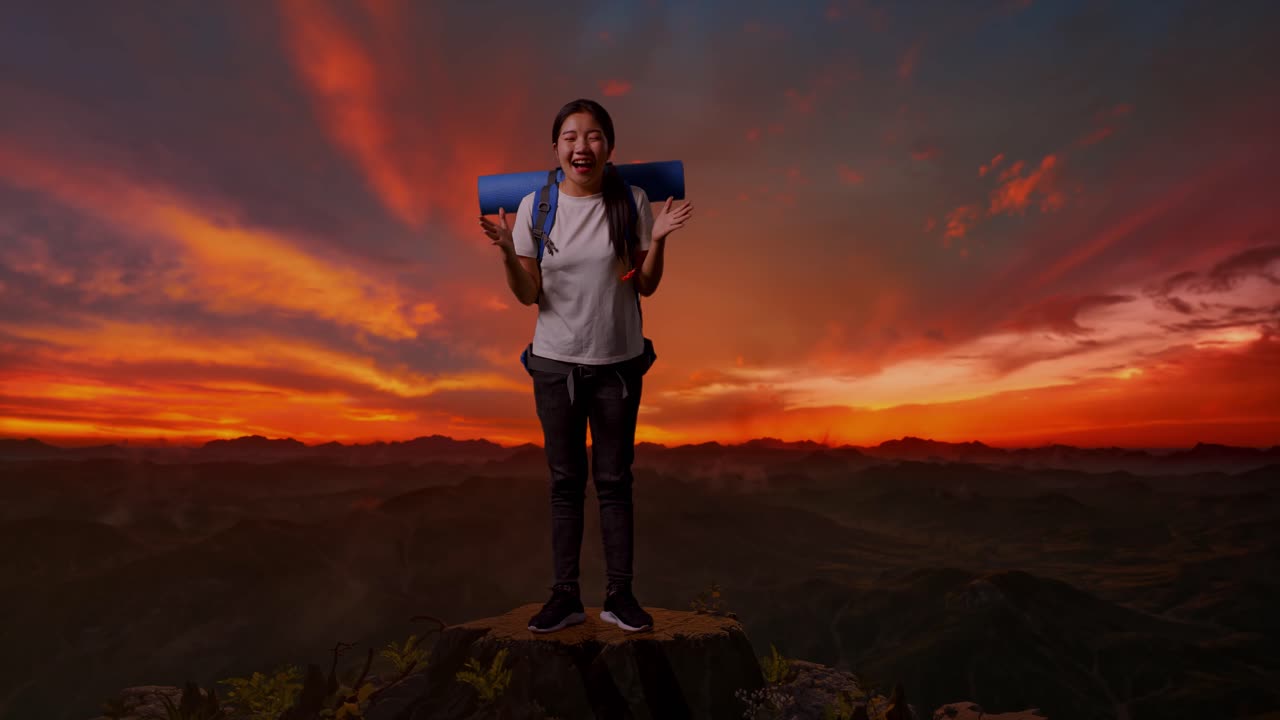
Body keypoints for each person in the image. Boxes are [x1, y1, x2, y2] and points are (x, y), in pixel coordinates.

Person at [478, 98, 693, 633]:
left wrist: (660, 239)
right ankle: (565, 597)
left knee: (616, 482)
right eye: (571, 136)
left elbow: (645, 285)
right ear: (556, 148)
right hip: (555, 364)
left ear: (609, 148)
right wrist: (508, 251)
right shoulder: (534, 206)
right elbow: (530, 294)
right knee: (565, 483)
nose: (582, 146)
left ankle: (620, 597)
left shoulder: (632, 200)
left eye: (594, 136)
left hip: (619, 364)